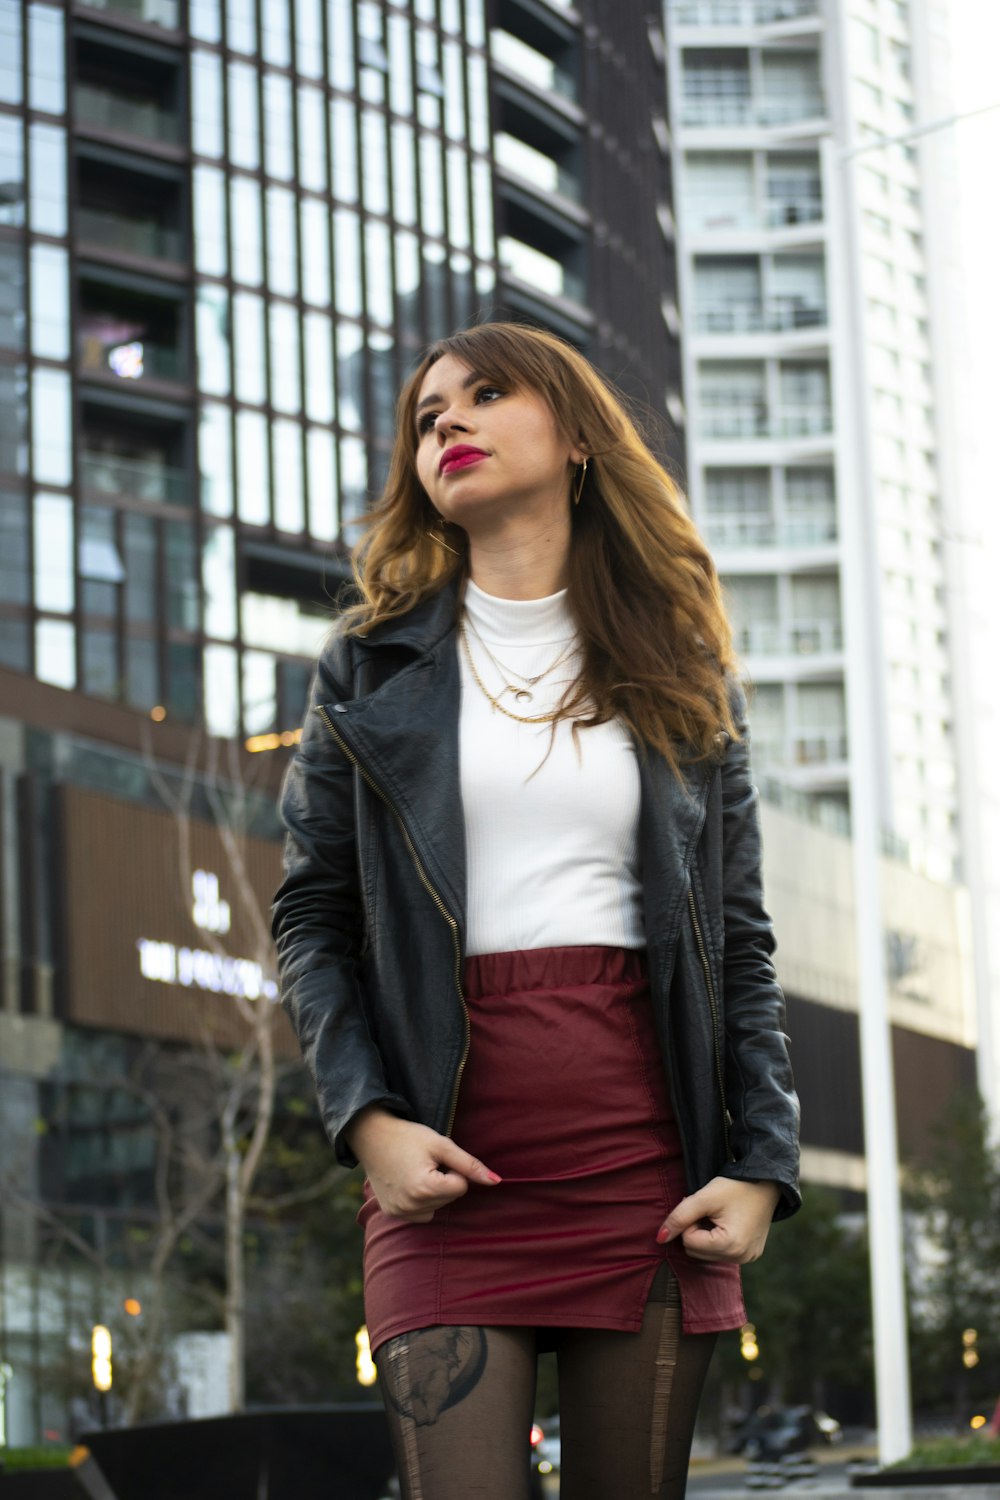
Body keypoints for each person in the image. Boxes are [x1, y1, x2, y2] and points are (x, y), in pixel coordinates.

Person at [272, 321, 800, 1500]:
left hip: (646, 1168)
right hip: (443, 1170)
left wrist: (761, 1162)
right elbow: (312, 919)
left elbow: (737, 942)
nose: (446, 422)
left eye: (486, 394)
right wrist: (366, 1124)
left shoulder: (676, 668)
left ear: (571, 437)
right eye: (426, 415)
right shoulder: (368, 665)